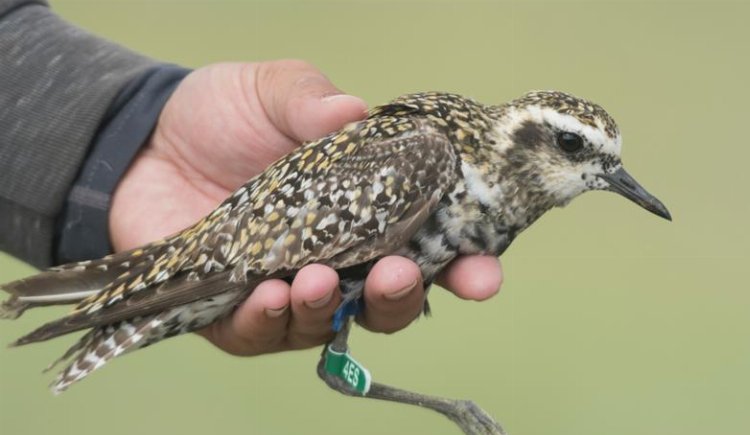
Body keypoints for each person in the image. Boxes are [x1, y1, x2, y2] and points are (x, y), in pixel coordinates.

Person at [0, 0, 503, 356]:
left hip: (226, 247)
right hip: (223, 260)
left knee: (340, 292)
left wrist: (122, 139)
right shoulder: (427, 152)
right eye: (570, 148)